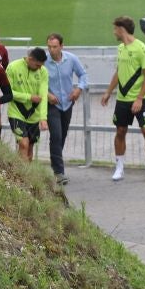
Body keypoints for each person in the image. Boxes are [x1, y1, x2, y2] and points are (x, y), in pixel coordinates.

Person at [100, 16, 145, 181]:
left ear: (121, 29)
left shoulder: (141, 48)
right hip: (122, 100)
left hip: (140, 100)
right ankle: (119, 168)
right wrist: (108, 92)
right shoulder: (120, 48)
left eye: (115, 28)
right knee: (120, 131)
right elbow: (118, 71)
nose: (113, 32)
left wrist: (139, 98)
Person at [44, 32, 88, 185]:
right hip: (51, 104)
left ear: (62, 46)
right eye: (49, 47)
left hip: (67, 103)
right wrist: (47, 94)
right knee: (55, 135)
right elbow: (36, 81)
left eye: (54, 47)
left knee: (62, 136)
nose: (51, 50)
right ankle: (59, 172)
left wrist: (78, 89)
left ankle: (56, 162)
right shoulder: (44, 61)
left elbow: (83, 75)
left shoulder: (71, 59)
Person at [6, 47, 49, 163]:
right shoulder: (13, 67)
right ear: (30, 59)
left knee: (29, 149)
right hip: (16, 112)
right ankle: (22, 178)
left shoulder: (43, 71)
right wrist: (29, 97)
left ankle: (25, 175)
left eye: (41, 65)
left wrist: (43, 118)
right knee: (23, 143)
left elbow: (43, 96)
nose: (40, 68)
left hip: (34, 115)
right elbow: (7, 93)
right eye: (37, 65)